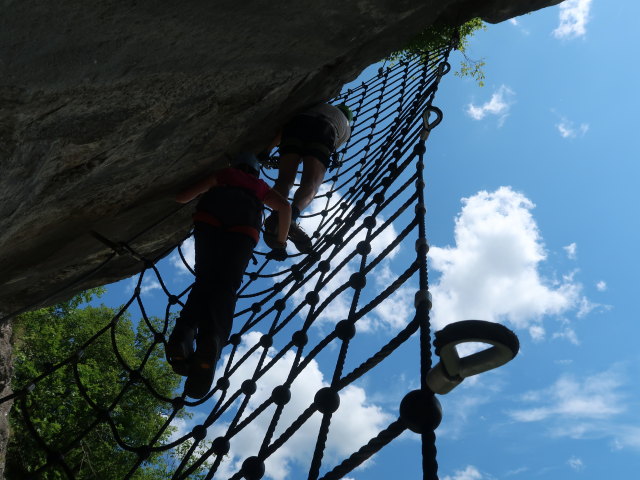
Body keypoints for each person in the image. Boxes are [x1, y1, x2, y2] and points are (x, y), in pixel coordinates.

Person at [167, 153, 291, 399]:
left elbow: (182, 197)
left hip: (209, 222)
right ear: (255, 171)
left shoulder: (223, 175)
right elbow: (285, 207)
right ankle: (211, 339)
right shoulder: (260, 186)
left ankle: (184, 332)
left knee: (204, 280)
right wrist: (280, 242)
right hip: (243, 231)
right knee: (226, 286)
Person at [264, 102, 352, 252]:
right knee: (312, 183)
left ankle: (277, 214)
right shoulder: (346, 127)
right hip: (326, 130)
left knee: (285, 179)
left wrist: (267, 150)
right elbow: (327, 147)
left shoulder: (319, 105)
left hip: (298, 124)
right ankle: (292, 217)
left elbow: (285, 128)